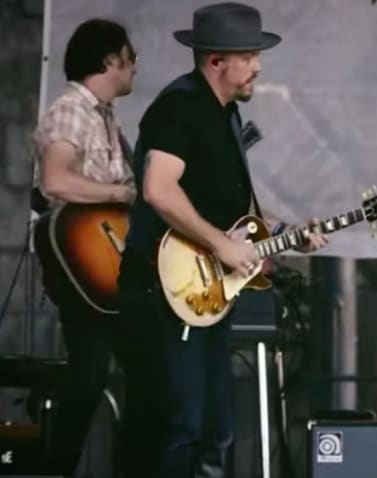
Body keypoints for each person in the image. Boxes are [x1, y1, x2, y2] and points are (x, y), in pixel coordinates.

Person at [118, 3, 325, 476]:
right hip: (163, 290)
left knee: (216, 430)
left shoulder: (225, 115)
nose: (257, 67)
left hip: (203, 294)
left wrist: (288, 234)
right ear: (217, 61)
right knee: (180, 427)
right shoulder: (179, 107)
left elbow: (235, 216)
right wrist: (221, 245)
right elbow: (157, 189)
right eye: (249, 55)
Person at [32, 19, 137, 476]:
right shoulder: (71, 110)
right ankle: (56, 469)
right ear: (111, 60)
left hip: (111, 264)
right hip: (81, 261)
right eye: (131, 57)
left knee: (137, 372)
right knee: (90, 372)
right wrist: (120, 194)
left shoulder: (106, 118)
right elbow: (56, 180)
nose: (136, 66)